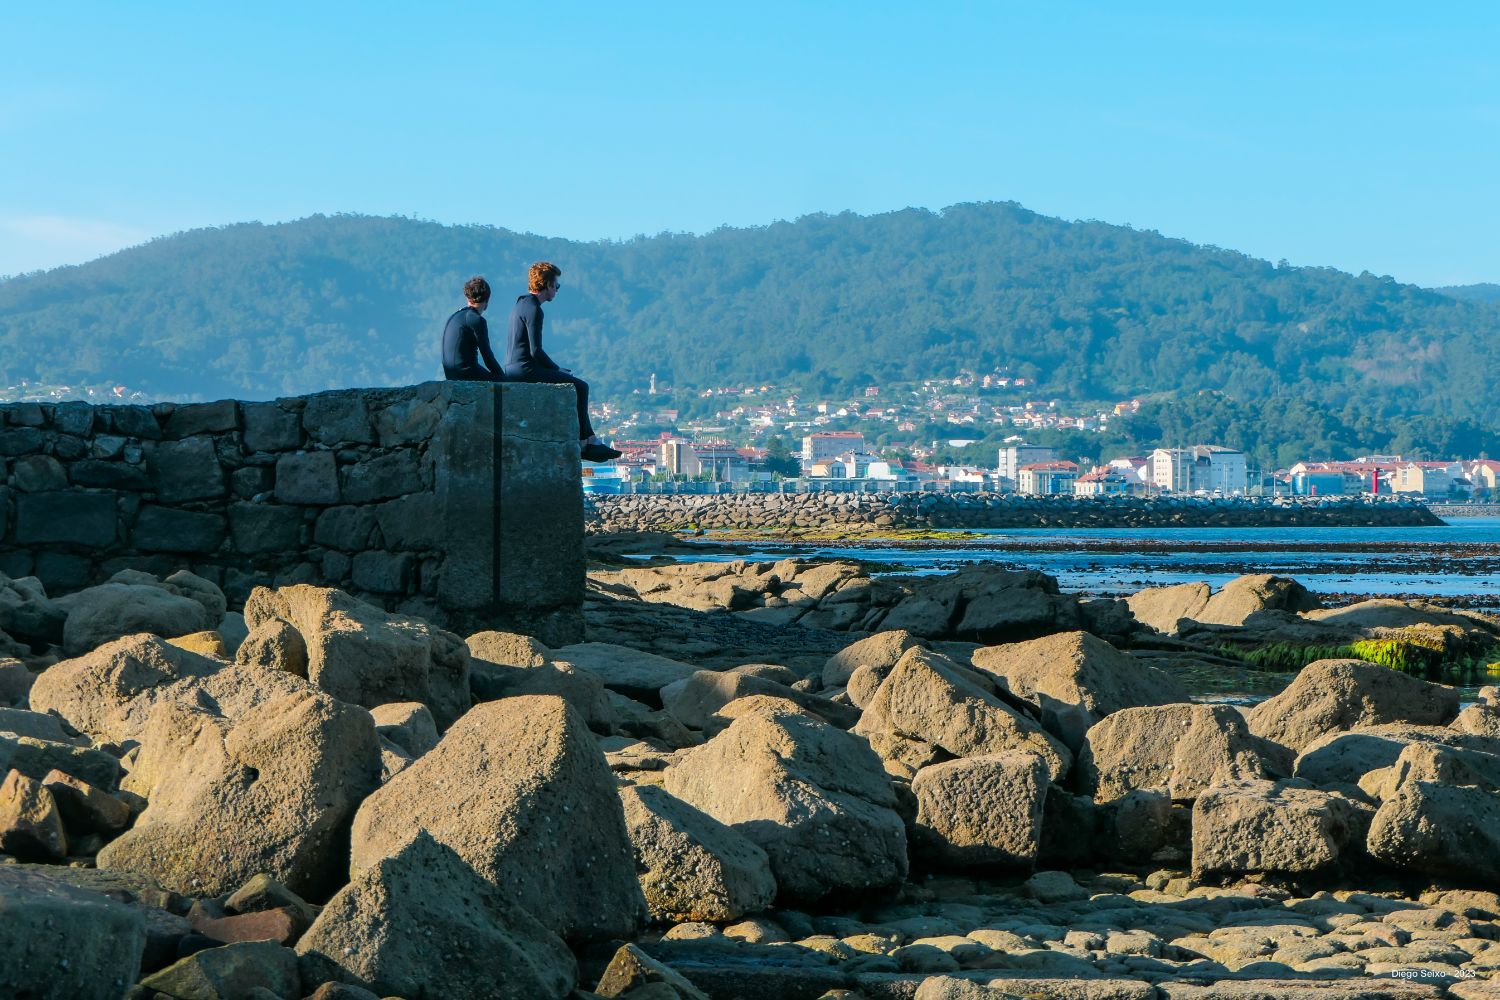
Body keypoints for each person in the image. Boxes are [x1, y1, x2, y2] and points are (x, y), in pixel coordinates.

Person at [503, 261, 621, 462]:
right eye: (556, 286)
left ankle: (589, 440)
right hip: (525, 369)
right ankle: (587, 442)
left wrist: (554, 370)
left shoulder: (521, 303)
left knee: (572, 381)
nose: (556, 290)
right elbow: (535, 350)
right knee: (581, 387)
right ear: (547, 284)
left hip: (513, 367)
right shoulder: (534, 309)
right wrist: (557, 369)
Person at [441, 276, 503, 381]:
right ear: (487, 301)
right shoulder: (476, 320)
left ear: (468, 298)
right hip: (466, 374)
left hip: (450, 375)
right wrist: (504, 379)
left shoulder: (455, 316)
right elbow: (488, 358)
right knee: (508, 386)